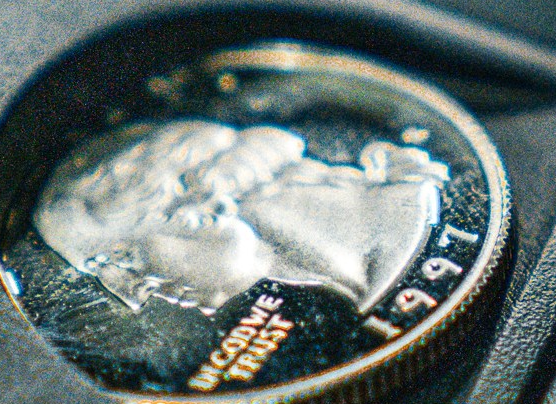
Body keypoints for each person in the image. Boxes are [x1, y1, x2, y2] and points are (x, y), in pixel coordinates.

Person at [34, 117, 449, 317]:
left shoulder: (408, 214)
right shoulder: (358, 280)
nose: (132, 293)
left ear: (199, 207)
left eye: (116, 258)